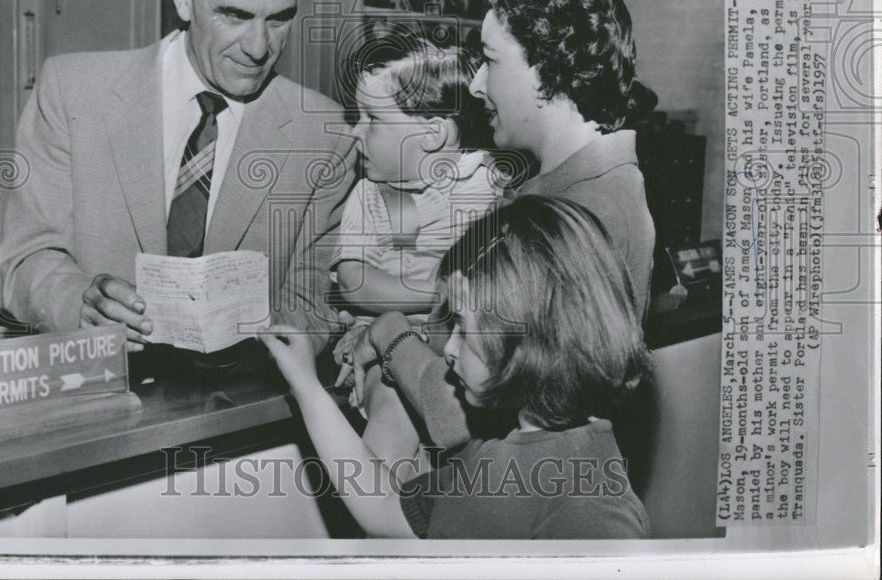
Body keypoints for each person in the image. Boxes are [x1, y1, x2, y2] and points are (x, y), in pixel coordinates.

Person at [0, 0, 357, 361]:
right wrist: (79, 303)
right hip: (97, 399)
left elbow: (313, 307)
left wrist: (273, 343)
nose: (258, 47)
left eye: (280, 18)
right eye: (235, 14)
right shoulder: (71, 92)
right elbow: (26, 261)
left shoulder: (323, 135)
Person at [341, 0, 656, 450]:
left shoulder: (581, 210)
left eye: (491, 60)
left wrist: (391, 336)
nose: (476, 84)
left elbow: (471, 417)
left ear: (545, 67)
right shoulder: (578, 182)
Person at [260, 195, 651, 539]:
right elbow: (382, 508)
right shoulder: (497, 447)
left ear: (523, 338)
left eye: (463, 327)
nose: (448, 348)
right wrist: (305, 385)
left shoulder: (591, 512)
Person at [330, 36, 503, 473]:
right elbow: (353, 281)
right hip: (383, 347)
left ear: (433, 132)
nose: (355, 131)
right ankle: (376, 525)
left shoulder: (484, 179)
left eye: (373, 119)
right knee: (392, 429)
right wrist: (444, 295)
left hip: (465, 350)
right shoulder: (368, 193)